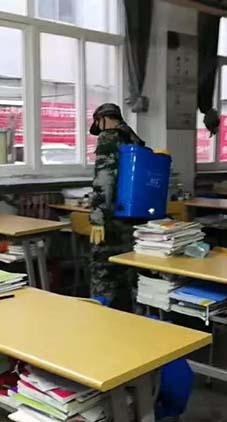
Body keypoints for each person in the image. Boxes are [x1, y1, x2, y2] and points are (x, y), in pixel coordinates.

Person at [88, 103, 144, 309]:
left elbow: (105, 178)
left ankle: (101, 318)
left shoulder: (109, 137)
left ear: (103, 120)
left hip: (113, 218)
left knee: (103, 273)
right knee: (133, 273)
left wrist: (97, 217)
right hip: (136, 217)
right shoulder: (136, 141)